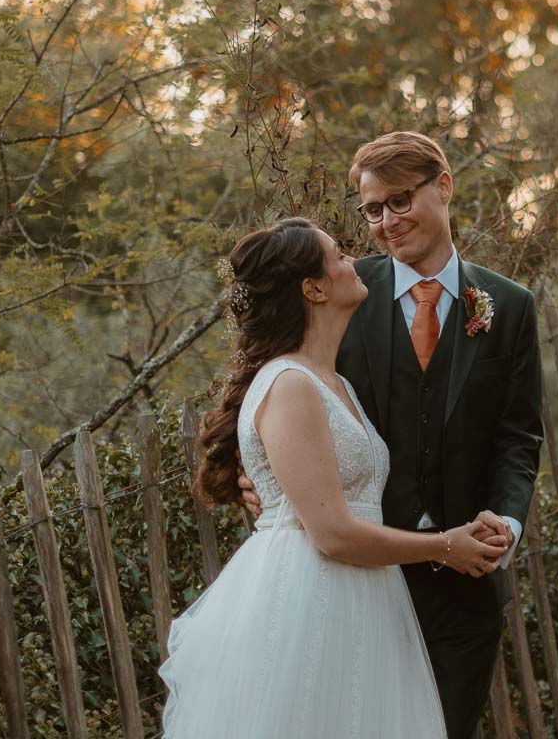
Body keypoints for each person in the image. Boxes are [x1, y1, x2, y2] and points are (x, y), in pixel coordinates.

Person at [239, 131, 545, 739]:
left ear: (444, 187)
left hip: (465, 589)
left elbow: (518, 436)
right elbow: (271, 386)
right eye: (372, 210)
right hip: (364, 582)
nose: (386, 223)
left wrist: (506, 525)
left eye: (399, 201)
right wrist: (253, 477)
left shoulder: (506, 305)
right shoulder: (341, 294)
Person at [159, 217, 507, 738]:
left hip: (362, 595)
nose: (353, 259)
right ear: (313, 288)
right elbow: (331, 533)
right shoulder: (290, 383)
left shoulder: (333, 379)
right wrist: (443, 546)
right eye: (338, 255)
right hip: (309, 596)